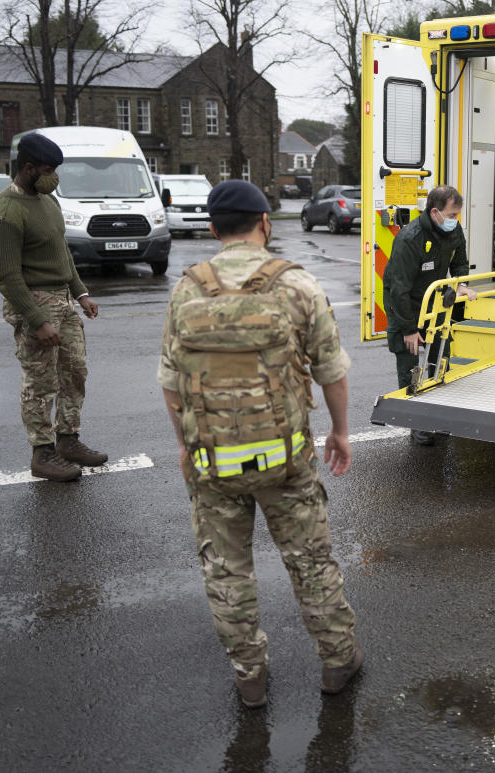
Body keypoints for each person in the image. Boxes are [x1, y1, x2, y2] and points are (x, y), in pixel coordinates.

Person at [159, 179, 362, 709]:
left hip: (213, 461)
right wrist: (338, 432)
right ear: (265, 222)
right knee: (311, 561)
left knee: (226, 571)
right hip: (285, 459)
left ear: (212, 228)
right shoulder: (297, 286)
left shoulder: (186, 289)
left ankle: (250, 677)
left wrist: (186, 443)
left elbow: (171, 380)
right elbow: (331, 372)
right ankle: (338, 662)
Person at [0, 132, 107, 482]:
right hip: (34, 302)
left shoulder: (47, 201)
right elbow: (6, 277)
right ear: (28, 168)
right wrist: (37, 320)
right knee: (41, 382)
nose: (54, 176)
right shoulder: (5, 213)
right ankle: (42, 452)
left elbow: (61, 252)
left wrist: (81, 293)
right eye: (48, 169)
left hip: (64, 301)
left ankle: (68, 440)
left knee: (74, 372)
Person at [381, 184, 476, 445]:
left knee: (439, 357)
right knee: (409, 361)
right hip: (404, 302)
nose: (456, 221)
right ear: (435, 212)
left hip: (432, 298)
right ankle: (416, 421)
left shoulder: (453, 230)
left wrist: (462, 284)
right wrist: (409, 328)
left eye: (458, 215)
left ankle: (437, 414)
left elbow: (460, 262)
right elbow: (399, 288)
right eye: (452, 215)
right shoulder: (410, 239)